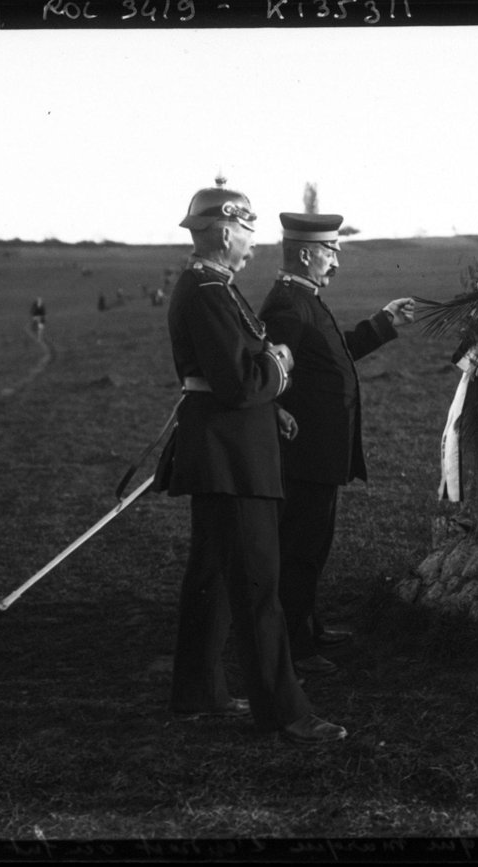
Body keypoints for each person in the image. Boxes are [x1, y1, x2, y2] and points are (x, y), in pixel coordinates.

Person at [160, 180, 347, 744]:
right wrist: (283, 366)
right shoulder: (210, 293)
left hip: (229, 446)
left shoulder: (211, 286)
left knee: (213, 578)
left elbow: (229, 378)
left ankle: (197, 692)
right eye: (247, 233)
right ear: (223, 231)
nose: (253, 245)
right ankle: (284, 713)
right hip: (234, 459)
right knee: (259, 588)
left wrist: (273, 412)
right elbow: (241, 381)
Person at [258, 212, 415, 676]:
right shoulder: (288, 305)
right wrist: (275, 412)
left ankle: (308, 625)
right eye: (331, 252)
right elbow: (269, 373)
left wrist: (383, 322)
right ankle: (296, 646)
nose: (337, 263)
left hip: (318, 453)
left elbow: (333, 354)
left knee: (312, 544)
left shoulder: (302, 296)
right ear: (306, 253)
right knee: (301, 547)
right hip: (304, 452)